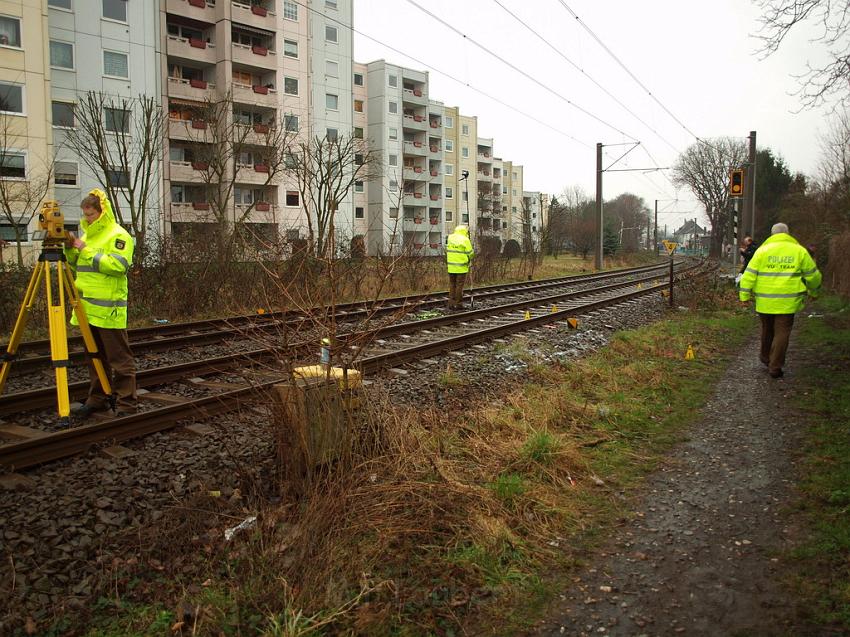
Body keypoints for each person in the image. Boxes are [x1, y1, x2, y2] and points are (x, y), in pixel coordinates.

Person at [64, 189, 137, 417]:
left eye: (91, 214)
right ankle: (98, 398)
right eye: (85, 215)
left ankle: (127, 404)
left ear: (102, 212)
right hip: (89, 310)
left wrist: (86, 251)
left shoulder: (118, 235)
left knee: (119, 360)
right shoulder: (87, 237)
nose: (87, 219)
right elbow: (79, 268)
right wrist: (70, 248)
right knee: (94, 358)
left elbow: (118, 267)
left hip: (109, 310)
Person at [738, 222, 821, 379]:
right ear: (788, 234)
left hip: (764, 301)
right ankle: (775, 366)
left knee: (767, 329)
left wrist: (744, 296)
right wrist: (814, 291)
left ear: (772, 234)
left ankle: (765, 357)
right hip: (788, 301)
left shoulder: (762, 251)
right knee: (782, 332)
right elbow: (813, 275)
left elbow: (749, 275)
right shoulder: (799, 251)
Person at [445, 225, 474, 310]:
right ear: (464, 231)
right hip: (461, 267)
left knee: (452, 285)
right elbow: (470, 253)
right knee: (459, 286)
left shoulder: (450, 238)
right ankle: (458, 304)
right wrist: (470, 257)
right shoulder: (465, 239)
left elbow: (448, 249)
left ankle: (451, 304)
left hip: (451, 267)